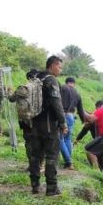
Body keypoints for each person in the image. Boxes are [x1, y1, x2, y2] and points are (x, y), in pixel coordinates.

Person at [28, 56, 66, 196]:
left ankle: (35, 185)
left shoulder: (37, 78)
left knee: (35, 156)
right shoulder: (51, 80)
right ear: (52, 66)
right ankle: (51, 188)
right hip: (49, 125)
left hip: (35, 124)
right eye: (59, 67)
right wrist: (63, 122)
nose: (60, 70)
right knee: (51, 157)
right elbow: (57, 104)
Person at [59, 76, 87, 169]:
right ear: (74, 83)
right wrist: (83, 120)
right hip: (71, 116)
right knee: (67, 139)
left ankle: (68, 162)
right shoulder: (77, 93)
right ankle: (69, 161)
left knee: (60, 139)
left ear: (66, 82)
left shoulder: (62, 88)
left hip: (61, 115)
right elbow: (80, 109)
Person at [74, 100, 103, 172]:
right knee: (100, 154)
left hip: (102, 139)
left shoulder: (92, 120)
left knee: (95, 152)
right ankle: (101, 171)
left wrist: (77, 140)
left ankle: (98, 170)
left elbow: (84, 130)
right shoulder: (91, 120)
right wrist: (77, 139)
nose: (84, 122)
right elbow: (83, 131)